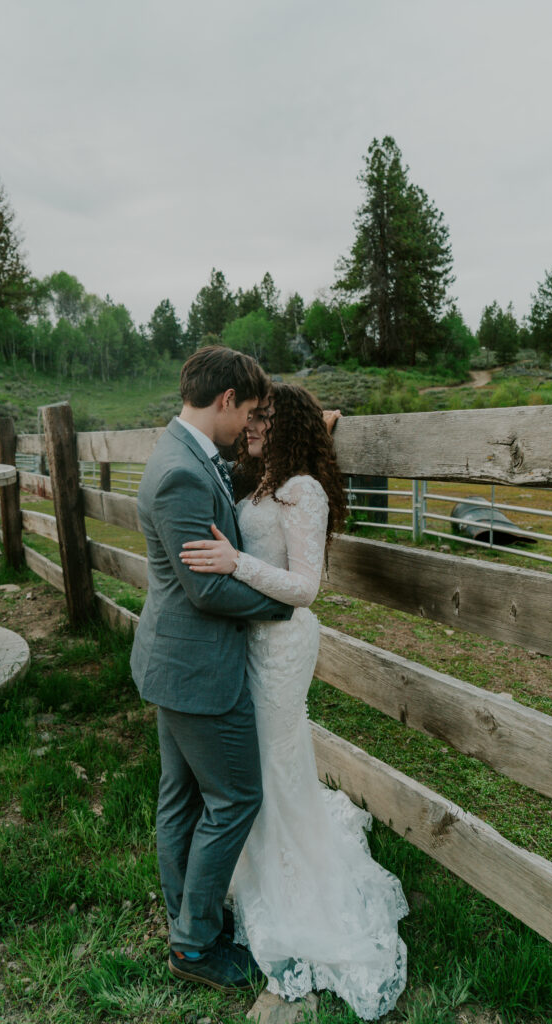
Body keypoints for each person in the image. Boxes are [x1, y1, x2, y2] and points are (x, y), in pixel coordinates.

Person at [180, 382, 408, 1020]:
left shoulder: (302, 489)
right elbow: (293, 437)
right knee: (262, 764)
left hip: (282, 644)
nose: (252, 425)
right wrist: (317, 420)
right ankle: (259, 865)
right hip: (252, 642)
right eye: (252, 416)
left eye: (264, 419)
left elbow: (306, 587)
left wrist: (234, 564)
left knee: (275, 765)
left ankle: (297, 887)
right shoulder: (265, 479)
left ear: (287, 429)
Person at [130, 346, 294, 994]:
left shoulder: (186, 455)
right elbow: (207, 591)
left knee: (181, 801)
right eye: (249, 412)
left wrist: (312, 430)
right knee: (235, 799)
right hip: (199, 669)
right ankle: (195, 945)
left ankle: (186, 922)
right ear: (225, 399)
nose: (248, 428)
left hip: (174, 664)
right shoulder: (182, 474)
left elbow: (236, 468)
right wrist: (281, 602)